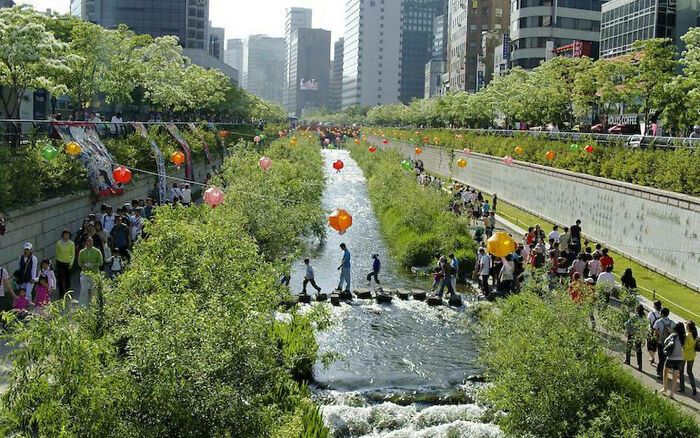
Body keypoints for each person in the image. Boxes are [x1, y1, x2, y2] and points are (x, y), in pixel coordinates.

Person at [661, 322, 686, 399]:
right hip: (680, 359)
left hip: (671, 357)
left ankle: (664, 388)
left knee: (665, 372)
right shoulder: (684, 337)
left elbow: (665, 341)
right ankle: (672, 393)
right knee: (675, 376)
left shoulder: (673, 335)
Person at [78, 237, 103, 306]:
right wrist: (84, 265)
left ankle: (94, 305)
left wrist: (93, 265)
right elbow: (79, 263)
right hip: (85, 273)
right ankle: (82, 306)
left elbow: (101, 262)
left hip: (94, 273)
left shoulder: (97, 251)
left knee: (94, 290)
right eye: (88, 241)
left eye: (91, 241)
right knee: (83, 290)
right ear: (85, 242)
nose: (90, 243)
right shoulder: (82, 252)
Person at [653, 308, 675, 378]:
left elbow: (655, 330)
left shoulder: (658, 322)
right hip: (669, 343)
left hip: (660, 342)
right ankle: (663, 372)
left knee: (661, 359)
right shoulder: (672, 322)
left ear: (662, 314)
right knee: (665, 358)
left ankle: (659, 372)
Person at [54, 230, 75, 299]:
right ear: (62, 235)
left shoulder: (71, 243)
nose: (66, 236)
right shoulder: (59, 243)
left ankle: (67, 291)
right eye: (65, 235)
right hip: (60, 262)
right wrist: (56, 261)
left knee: (67, 278)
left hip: (68, 262)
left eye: (67, 235)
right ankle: (61, 293)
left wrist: (71, 263)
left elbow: (73, 254)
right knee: (60, 278)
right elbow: (56, 253)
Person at [625, 304, 646, 371]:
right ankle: (640, 365)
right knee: (638, 350)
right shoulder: (644, 318)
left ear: (637, 310)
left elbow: (628, 324)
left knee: (629, 347)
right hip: (639, 335)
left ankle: (627, 360)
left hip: (632, 333)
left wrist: (627, 331)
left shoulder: (634, 317)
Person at [680, 321, 697, 396]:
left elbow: (685, 347)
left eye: (686, 326)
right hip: (692, 355)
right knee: (690, 372)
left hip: (684, 355)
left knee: (681, 371)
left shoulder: (687, 336)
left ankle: (682, 388)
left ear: (688, 328)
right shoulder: (695, 335)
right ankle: (694, 388)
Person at [647, 300, 662, 365]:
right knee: (655, 345)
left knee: (649, 345)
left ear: (655, 306)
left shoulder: (651, 313)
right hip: (658, 331)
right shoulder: (661, 313)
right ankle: (652, 356)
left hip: (651, 331)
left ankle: (652, 357)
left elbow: (648, 321)